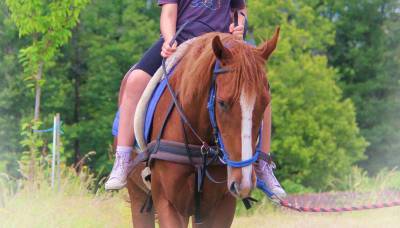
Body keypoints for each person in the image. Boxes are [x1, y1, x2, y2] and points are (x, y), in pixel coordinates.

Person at [105, 0, 286, 199]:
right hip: (182, 41)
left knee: (259, 90)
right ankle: (122, 158)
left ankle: (262, 163)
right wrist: (168, 39)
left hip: (221, 47)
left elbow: (239, 9)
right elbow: (168, 13)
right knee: (135, 80)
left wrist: (240, 25)